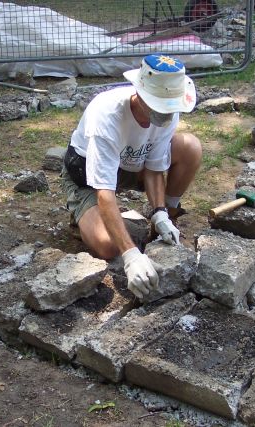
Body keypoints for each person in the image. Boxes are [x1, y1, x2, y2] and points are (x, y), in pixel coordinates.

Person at [61, 54, 202, 300]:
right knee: (108, 246)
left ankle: (167, 222)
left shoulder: (168, 111)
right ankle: (81, 215)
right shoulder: (107, 115)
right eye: (160, 106)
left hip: (131, 166)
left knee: (190, 147)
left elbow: (155, 168)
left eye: (170, 107)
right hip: (85, 175)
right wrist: (131, 255)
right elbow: (105, 192)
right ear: (140, 92)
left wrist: (160, 213)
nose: (167, 114)